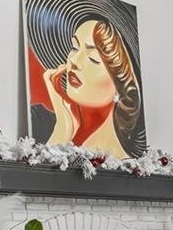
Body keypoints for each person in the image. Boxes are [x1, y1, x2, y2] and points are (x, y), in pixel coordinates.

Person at [40, 18, 142, 159]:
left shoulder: (126, 165)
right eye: (74, 48)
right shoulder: (38, 120)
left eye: (93, 58)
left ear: (121, 85)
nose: (74, 60)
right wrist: (62, 128)